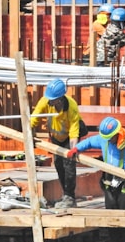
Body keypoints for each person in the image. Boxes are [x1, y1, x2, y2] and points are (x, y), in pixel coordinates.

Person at [66, 116, 125, 242]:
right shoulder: (103, 138)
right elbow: (88, 142)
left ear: (117, 133)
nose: (108, 140)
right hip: (109, 184)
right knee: (111, 224)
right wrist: (76, 149)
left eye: (110, 138)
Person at [30, 78, 87, 209]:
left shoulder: (71, 107)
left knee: (69, 165)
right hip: (56, 137)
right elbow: (34, 118)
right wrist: (30, 134)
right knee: (58, 164)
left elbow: (74, 131)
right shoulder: (45, 101)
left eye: (53, 99)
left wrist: (73, 150)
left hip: (68, 138)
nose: (50, 101)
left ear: (60, 98)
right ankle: (64, 194)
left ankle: (69, 197)